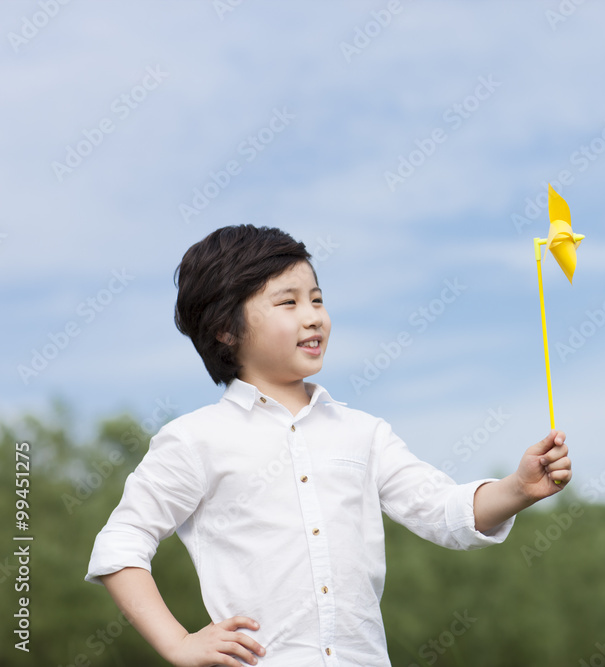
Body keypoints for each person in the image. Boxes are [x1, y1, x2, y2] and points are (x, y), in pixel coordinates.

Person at [84, 224, 572, 666]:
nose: (313, 317)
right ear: (226, 329)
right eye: (288, 302)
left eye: (316, 300)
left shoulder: (364, 432)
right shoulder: (195, 439)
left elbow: (440, 510)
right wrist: (179, 642)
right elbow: (121, 543)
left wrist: (518, 488)